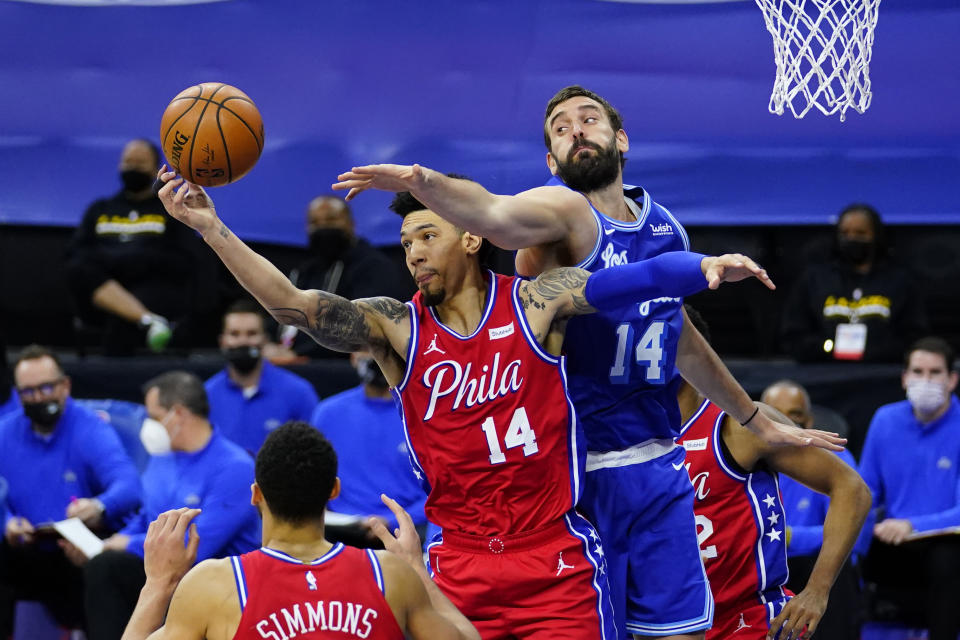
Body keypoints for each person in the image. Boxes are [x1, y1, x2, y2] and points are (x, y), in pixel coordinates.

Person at [156, 164, 776, 639]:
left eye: (428, 233)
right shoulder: (397, 327)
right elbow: (295, 306)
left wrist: (703, 267)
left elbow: (631, 281)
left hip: (553, 556)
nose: (414, 252)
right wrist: (212, 227)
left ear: (475, 240)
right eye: (405, 242)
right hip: (459, 566)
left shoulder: (538, 301)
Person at [332, 85, 845, 639]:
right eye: (560, 127)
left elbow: (676, 331)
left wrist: (747, 414)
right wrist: (419, 182)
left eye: (589, 119)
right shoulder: (562, 211)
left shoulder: (666, 228)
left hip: (658, 460)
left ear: (620, 139)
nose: (576, 129)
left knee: (684, 634)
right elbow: (493, 216)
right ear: (551, 162)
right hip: (580, 473)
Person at [120, 422, 480, 640]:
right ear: (334, 491)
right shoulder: (389, 574)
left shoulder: (214, 583)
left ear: (255, 494)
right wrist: (418, 569)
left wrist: (158, 584)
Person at [676, 308, 871, 640]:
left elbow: (852, 488)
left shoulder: (738, 424)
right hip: (665, 623)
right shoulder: (626, 434)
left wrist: (816, 591)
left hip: (746, 622)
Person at [82, 370, 260, 640]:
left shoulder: (235, 467)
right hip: (167, 571)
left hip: (218, 582)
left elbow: (197, 546)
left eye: (153, 417)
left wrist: (127, 545)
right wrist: (113, 540)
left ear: (177, 414)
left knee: (108, 566)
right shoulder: (162, 458)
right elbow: (146, 516)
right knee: (99, 564)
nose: (148, 426)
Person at [0, 345, 141, 636]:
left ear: (65, 386)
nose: (38, 398)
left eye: (46, 388)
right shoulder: (5, 432)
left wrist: (98, 506)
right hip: (25, 548)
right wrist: (7, 522)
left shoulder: (91, 429)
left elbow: (129, 486)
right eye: (28, 392)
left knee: (103, 568)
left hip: (78, 550)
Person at [858, 337, 960, 640]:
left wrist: (912, 525)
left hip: (945, 541)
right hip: (890, 541)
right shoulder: (885, 419)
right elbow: (865, 492)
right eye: (917, 372)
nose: (925, 380)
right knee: (841, 548)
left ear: (952, 379)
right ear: (904, 378)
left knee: (947, 558)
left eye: (935, 372)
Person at [65, 138, 200, 355]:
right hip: (103, 288)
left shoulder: (170, 210)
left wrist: (138, 260)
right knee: (79, 270)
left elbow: (185, 260)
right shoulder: (100, 208)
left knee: (121, 320)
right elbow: (76, 254)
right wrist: (121, 260)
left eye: (139, 163)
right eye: (128, 162)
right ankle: (147, 319)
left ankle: (140, 319)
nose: (132, 168)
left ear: (156, 169)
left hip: (154, 287)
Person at [760, 379, 872, 640]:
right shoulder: (742, 463)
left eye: (794, 415)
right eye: (775, 414)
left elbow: (857, 535)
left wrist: (790, 537)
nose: (786, 423)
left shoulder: (835, 459)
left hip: (817, 571)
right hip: (764, 568)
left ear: (808, 422)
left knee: (837, 569)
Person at [780, 203, 929, 362]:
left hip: (883, 372)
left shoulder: (901, 281)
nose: (852, 239)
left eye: (860, 233)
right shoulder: (814, 279)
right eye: (845, 233)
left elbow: (915, 336)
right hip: (822, 373)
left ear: (876, 236)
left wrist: (872, 351)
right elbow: (793, 335)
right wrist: (828, 348)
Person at [310, 350, 427, 547]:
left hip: (410, 529)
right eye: (365, 350)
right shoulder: (327, 413)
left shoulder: (424, 412)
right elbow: (312, 481)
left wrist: (392, 521)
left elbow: (445, 488)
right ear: (353, 358)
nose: (374, 357)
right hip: (341, 531)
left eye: (379, 348)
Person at [273, 195, 412, 359]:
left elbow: (367, 325)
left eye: (331, 220)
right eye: (315, 223)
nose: (323, 227)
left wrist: (299, 354)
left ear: (351, 224)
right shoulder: (304, 271)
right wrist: (268, 344)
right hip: (294, 361)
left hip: (342, 364)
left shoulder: (372, 266)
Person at [206, 299, 319, 455]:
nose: (243, 341)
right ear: (223, 341)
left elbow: (313, 454)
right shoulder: (207, 395)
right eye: (234, 334)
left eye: (251, 334)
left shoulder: (298, 392)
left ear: (265, 340)